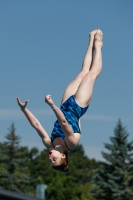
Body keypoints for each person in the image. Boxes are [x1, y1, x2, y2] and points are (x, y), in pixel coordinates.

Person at [16, 29, 103, 172]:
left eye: (50, 161)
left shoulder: (48, 142)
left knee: (82, 73)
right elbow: (63, 122)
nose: (50, 158)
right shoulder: (71, 143)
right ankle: (98, 45)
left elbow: (37, 126)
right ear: (63, 155)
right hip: (78, 105)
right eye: (54, 160)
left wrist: (24, 110)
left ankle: (90, 42)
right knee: (91, 75)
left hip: (64, 105)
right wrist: (51, 105)